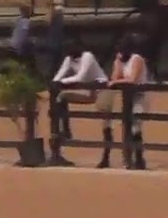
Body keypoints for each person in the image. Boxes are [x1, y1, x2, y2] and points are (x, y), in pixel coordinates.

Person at [97, 33, 150, 169]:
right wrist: (118, 64)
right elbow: (114, 77)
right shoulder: (119, 61)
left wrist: (116, 81)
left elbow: (132, 80)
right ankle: (107, 157)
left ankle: (138, 159)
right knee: (109, 123)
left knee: (135, 126)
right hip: (124, 97)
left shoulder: (136, 59)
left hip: (139, 96)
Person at [50, 39, 108, 140]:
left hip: (100, 89)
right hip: (89, 91)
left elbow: (80, 77)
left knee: (108, 122)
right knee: (61, 97)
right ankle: (64, 130)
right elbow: (60, 73)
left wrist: (62, 82)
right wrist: (54, 83)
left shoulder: (87, 56)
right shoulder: (69, 59)